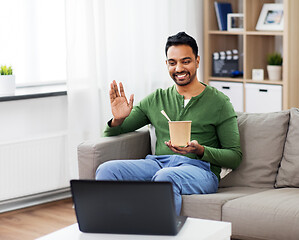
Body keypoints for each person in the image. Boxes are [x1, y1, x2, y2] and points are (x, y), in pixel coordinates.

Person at [96, 32, 242, 215]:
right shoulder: (156, 99)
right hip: (158, 164)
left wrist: (200, 150)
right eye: (172, 63)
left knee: (166, 177)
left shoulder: (219, 102)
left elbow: (235, 157)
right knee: (107, 170)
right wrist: (118, 118)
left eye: (186, 61)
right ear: (167, 64)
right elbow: (110, 135)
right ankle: (111, 230)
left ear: (197, 61)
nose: (179, 68)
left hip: (200, 170)